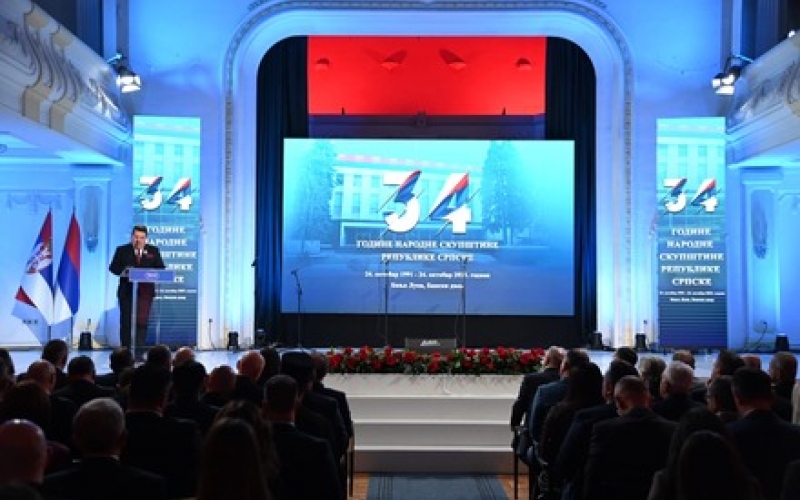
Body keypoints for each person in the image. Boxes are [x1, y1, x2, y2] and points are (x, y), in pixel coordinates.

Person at [108, 225, 165, 350]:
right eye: (136, 237)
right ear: (132, 237)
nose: (138, 240)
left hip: (145, 294)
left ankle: (139, 351)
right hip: (127, 292)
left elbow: (161, 268)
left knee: (142, 323)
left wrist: (151, 273)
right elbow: (113, 267)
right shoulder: (122, 250)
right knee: (126, 322)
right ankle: (126, 352)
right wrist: (124, 272)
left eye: (141, 237)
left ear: (146, 238)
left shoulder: (153, 251)